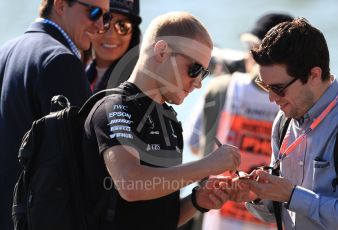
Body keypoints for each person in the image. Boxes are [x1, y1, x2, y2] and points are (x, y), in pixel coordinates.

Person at [82, 12, 247, 230]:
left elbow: (161, 217)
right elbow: (130, 184)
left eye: (204, 74)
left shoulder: (169, 121)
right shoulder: (113, 107)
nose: (198, 83)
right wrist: (208, 164)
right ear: (161, 51)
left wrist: (198, 200)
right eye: (194, 69)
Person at [0, 0, 111, 229]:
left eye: (106, 17)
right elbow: (79, 163)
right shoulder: (61, 60)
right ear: (60, 5)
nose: (101, 26)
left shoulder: (6, 50)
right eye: (94, 12)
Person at [244, 18, 338, 229]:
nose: (271, 98)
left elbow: (291, 198)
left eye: (279, 88)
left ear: (314, 75)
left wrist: (291, 195)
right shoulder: (283, 122)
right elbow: (278, 213)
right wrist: (257, 195)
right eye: (265, 86)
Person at [200, 13, 293, 230]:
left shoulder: (222, 88)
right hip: (274, 220)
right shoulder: (298, 98)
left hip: (220, 217)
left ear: (255, 48)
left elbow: (198, 147)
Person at [86, 0, 142, 93]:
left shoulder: (139, 84)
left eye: (122, 25)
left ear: (133, 33)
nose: (111, 35)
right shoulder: (77, 72)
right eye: (104, 22)